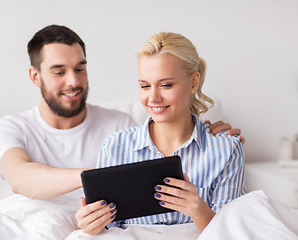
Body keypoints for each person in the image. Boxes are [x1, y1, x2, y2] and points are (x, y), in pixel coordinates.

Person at [0, 25, 242, 201]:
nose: (73, 81)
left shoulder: (118, 125)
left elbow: (163, 135)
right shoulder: (14, 126)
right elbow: (19, 178)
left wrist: (213, 136)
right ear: (35, 76)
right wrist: (99, 177)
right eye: (59, 72)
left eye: (80, 69)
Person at [75, 32, 246, 235]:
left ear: (193, 83)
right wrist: (92, 223)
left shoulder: (226, 149)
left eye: (166, 85)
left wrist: (197, 208)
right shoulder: (115, 148)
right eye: (145, 86)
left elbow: (231, 234)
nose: (153, 97)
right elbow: (108, 229)